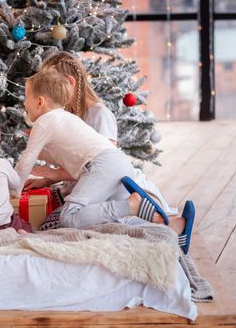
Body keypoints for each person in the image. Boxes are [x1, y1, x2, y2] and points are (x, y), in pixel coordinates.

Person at [15, 69, 194, 252]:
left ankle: (131, 205)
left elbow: (26, 161)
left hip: (101, 165)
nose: (24, 102)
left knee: (68, 217)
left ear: (40, 102)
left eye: (26, 96)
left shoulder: (44, 122)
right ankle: (176, 228)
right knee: (114, 221)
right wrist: (39, 153)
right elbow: (61, 152)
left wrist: (14, 190)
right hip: (115, 161)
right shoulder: (65, 118)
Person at [29, 51, 177, 217]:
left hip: (112, 193)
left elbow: (102, 168)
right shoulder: (67, 117)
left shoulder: (100, 115)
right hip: (84, 189)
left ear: (70, 82)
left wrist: (55, 174)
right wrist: (49, 178)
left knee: (62, 220)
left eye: (49, 87)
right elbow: (77, 163)